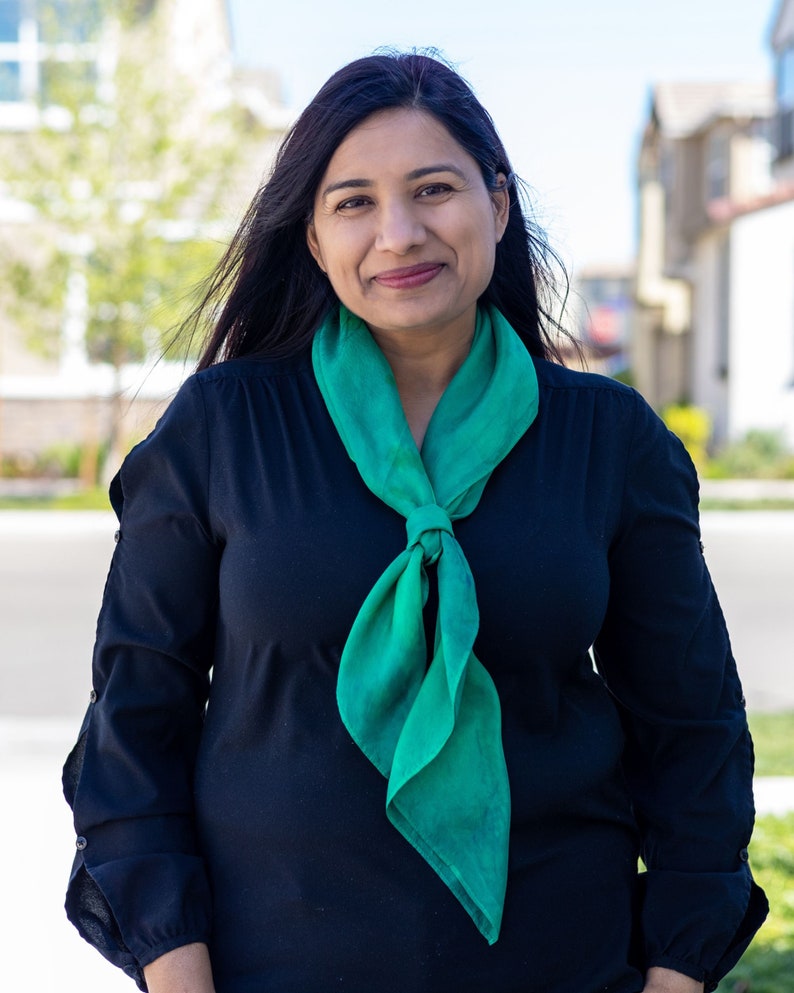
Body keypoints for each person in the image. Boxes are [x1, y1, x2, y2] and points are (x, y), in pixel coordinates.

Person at [63, 51, 768, 993]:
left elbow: (694, 731)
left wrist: (678, 972)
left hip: (562, 960)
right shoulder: (222, 428)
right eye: (353, 201)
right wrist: (176, 972)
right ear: (312, 238)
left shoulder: (608, 440)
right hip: (271, 963)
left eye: (433, 189)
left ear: (499, 204)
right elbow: (133, 726)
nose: (398, 233)